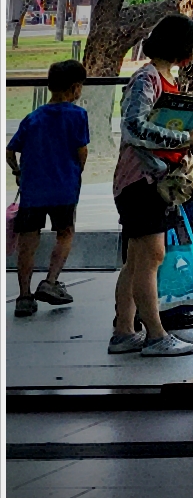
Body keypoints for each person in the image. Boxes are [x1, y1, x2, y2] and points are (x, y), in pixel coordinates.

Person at [113, 15, 193, 357]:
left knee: (137, 260)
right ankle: (154, 334)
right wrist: (184, 137)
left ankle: (124, 330)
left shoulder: (161, 78)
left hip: (144, 180)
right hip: (141, 181)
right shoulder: (148, 79)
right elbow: (133, 127)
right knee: (151, 256)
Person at [9, 58, 90, 315]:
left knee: (28, 241)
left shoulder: (33, 117)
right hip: (64, 187)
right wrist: (77, 170)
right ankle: (51, 281)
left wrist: (18, 171)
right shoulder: (78, 115)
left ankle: (24, 295)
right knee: (65, 233)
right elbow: (82, 151)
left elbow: (10, 151)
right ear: (76, 87)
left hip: (33, 190)